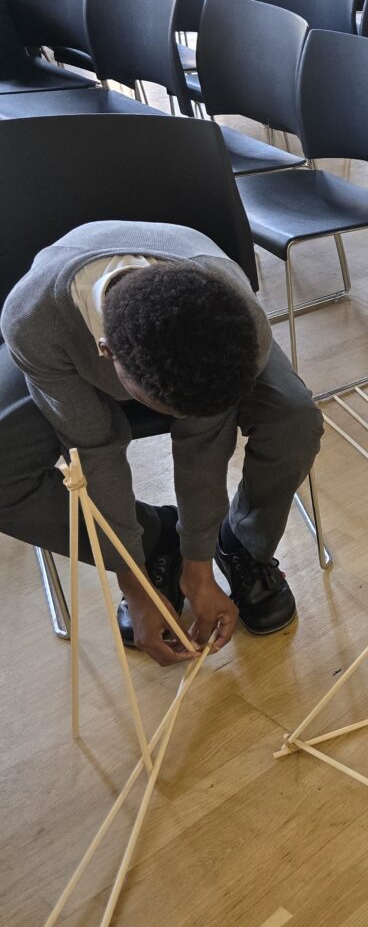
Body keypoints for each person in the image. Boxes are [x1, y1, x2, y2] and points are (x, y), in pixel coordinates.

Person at [0, 221, 324, 665]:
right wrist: (132, 579)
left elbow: (203, 448)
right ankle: (153, 544)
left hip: (193, 316)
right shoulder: (32, 321)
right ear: (106, 350)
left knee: (294, 418)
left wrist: (199, 567)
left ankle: (241, 545)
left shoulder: (237, 312)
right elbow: (96, 450)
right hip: (60, 347)